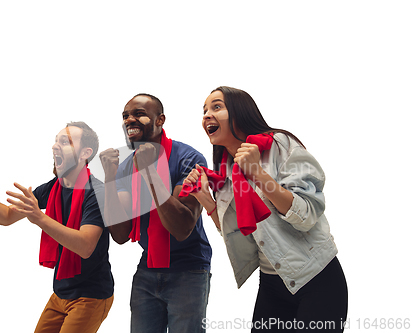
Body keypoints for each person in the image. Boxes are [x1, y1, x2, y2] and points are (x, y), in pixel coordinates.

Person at [182, 86, 348, 332]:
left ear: (240, 111)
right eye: (204, 110)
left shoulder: (280, 145)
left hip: (317, 279)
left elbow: (307, 214)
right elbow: (237, 233)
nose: (206, 115)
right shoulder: (226, 170)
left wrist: (257, 173)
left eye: (217, 106)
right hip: (272, 284)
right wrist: (205, 198)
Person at [0, 122, 114, 333]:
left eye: (65, 142)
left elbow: (85, 246)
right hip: (61, 293)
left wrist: (40, 218)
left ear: (85, 153)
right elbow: (6, 217)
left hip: (91, 295)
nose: (55, 146)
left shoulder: (97, 192)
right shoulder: (53, 187)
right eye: (55, 140)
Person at [99, 93, 212, 333]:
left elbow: (182, 227)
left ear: (160, 120)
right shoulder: (124, 168)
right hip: (148, 268)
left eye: (139, 114)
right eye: (125, 116)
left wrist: (150, 171)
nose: (130, 120)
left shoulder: (188, 158)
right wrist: (109, 178)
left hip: (188, 267)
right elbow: (120, 234)